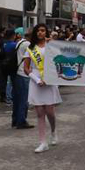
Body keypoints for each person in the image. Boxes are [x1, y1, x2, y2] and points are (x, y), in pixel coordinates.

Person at [23, 24, 61, 153]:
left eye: (43, 30)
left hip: (49, 79)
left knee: (50, 111)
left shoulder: (51, 46)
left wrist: (49, 78)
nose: (40, 32)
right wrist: (36, 79)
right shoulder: (30, 48)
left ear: (46, 32)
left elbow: (57, 63)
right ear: (35, 33)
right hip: (36, 80)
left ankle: (54, 131)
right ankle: (43, 142)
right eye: (38, 31)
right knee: (39, 112)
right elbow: (26, 68)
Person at [11, 28, 33, 129]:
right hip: (23, 74)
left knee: (17, 99)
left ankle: (15, 120)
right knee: (24, 99)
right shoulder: (28, 44)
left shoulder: (19, 42)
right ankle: (21, 121)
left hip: (17, 73)